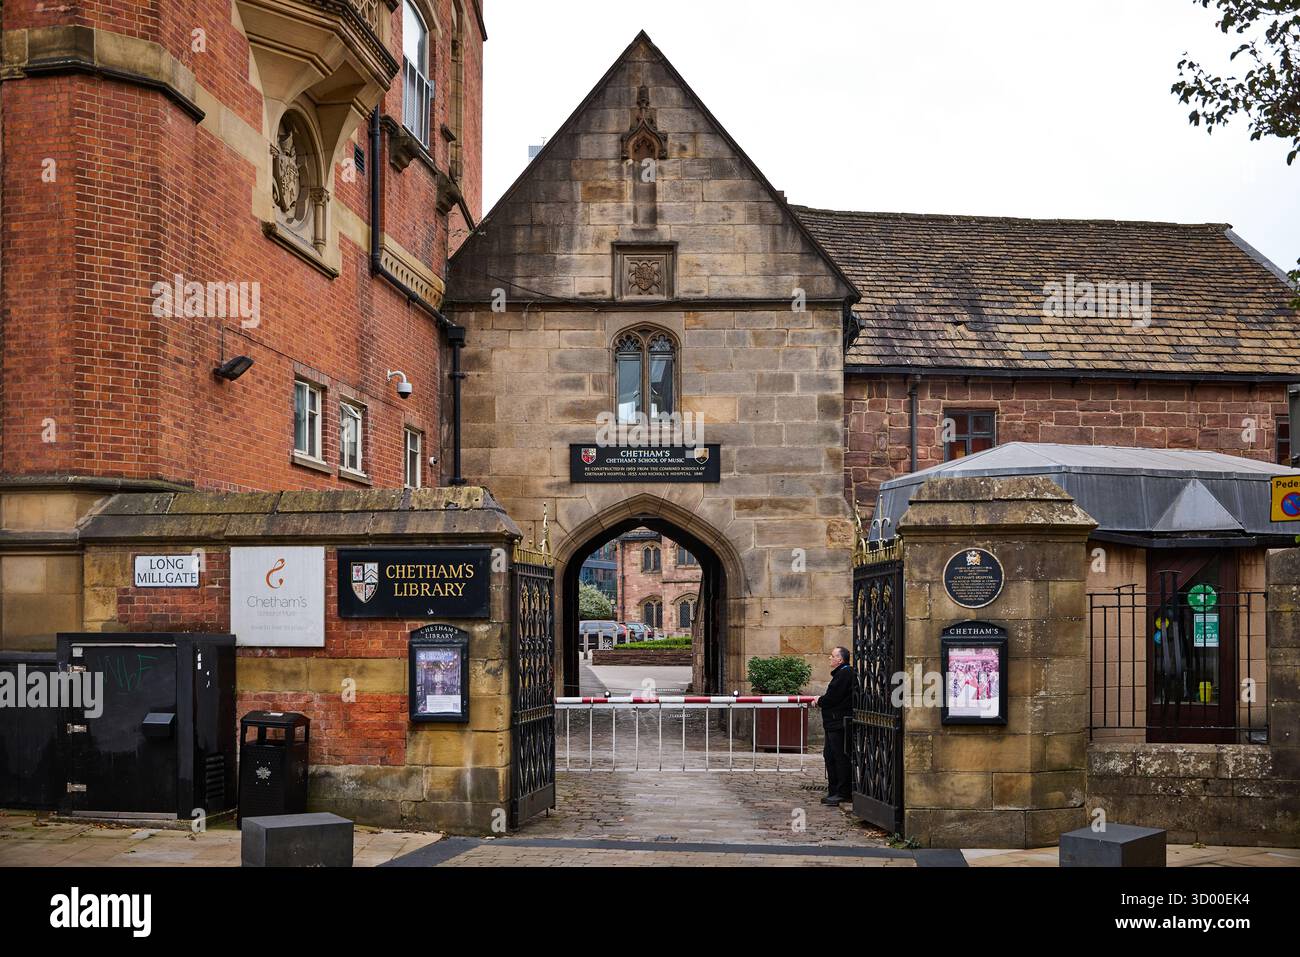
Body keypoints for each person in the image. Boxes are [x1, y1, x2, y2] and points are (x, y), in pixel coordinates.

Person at [812, 646, 854, 805]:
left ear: (840, 660)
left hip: (839, 723)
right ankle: (834, 790)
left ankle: (843, 792)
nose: (829, 658)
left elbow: (833, 698)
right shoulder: (841, 674)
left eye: (832, 656)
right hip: (834, 723)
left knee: (839, 757)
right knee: (830, 756)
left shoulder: (845, 673)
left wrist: (819, 700)